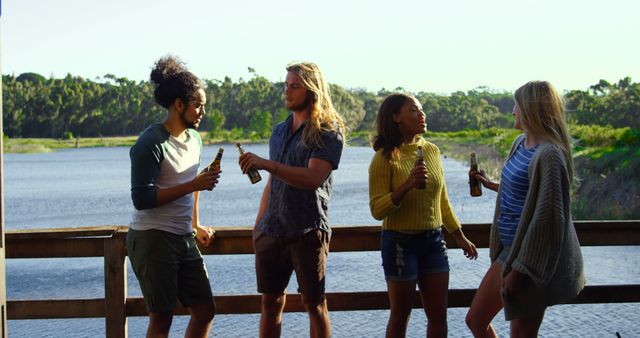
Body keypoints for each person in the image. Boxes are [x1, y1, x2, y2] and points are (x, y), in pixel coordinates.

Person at [465, 81, 585, 337]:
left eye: (516, 106)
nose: (513, 112)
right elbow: (529, 192)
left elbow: (548, 219)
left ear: (530, 109)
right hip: (508, 251)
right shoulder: (520, 144)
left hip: (532, 258)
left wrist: (521, 271)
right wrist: (491, 184)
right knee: (476, 320)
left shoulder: (549, 154)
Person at [238, 62, 344, 338]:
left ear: (312, 90)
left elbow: (313, 178)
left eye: (295, 86)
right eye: (286, 85)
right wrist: (258, 224)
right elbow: (273, 184)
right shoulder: (279, 131)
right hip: (271, 229)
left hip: (307, 230)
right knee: (270, 303)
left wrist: (266, 164)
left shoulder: (327, 131)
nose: (287, 91)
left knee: (314, 304)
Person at [368, 93, 478, 338]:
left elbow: (442, 200)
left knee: (439, 316)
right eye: (414, 110)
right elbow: (377, 210)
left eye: (421, 109)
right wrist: (406, 186)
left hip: (434, 241)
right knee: (400, 316)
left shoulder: (431, 150)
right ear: (396, 117)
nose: (421, 114)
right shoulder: (383, 158)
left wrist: (458, 235)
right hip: (399, 243)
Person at [127, 55, 220, 338]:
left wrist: (195, 223)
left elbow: (192, 185)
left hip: (183, 237)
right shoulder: (150, 143)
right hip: (153, 238)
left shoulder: (195, 140)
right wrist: (195, 184)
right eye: (198, 105)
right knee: (162, 318)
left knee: (205, 310)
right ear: (179, 104)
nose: (203, 111)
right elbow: (142, 199)